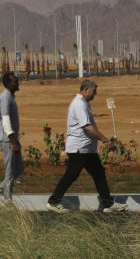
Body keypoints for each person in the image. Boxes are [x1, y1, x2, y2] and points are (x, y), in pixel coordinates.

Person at [46, 79, 127, 213]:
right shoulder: (79, 104)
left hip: (86, 149)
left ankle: (108, 203)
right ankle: (53, 202)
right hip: (79, 148)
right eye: (94, 91)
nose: (95, 94)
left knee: (99, 174)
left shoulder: (83, 103)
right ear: (85, 90)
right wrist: (105, 140)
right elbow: (87, 126)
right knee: (71, 175)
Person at [0, 73, 24, 203]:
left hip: (12, 138)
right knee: (10, 172)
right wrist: (13, 141)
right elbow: (5, 120)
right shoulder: (5, 98)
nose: (18, 83)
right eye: (15, 81)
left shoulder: (10, 97)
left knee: (19, 169)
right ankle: (8, 202)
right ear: (8, 84)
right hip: (8, 139)